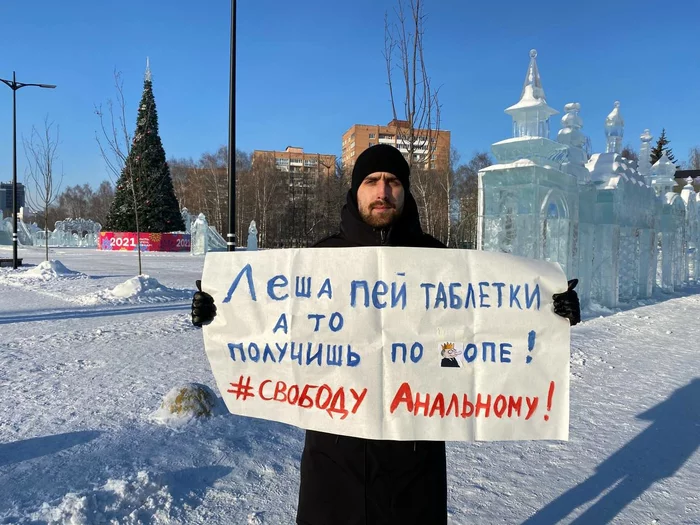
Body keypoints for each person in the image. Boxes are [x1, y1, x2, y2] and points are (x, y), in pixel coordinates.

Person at [191, 144, 581, 525]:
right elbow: (278, 330)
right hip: (334, 456)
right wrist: (222, 311)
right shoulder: (319, 262)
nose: (382, 191)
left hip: (413, 454)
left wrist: (546, 314)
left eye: (392, 180)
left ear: (405, 191)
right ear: (355, 190)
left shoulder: (441, 264)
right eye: (371, 181)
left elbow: (463, 343)